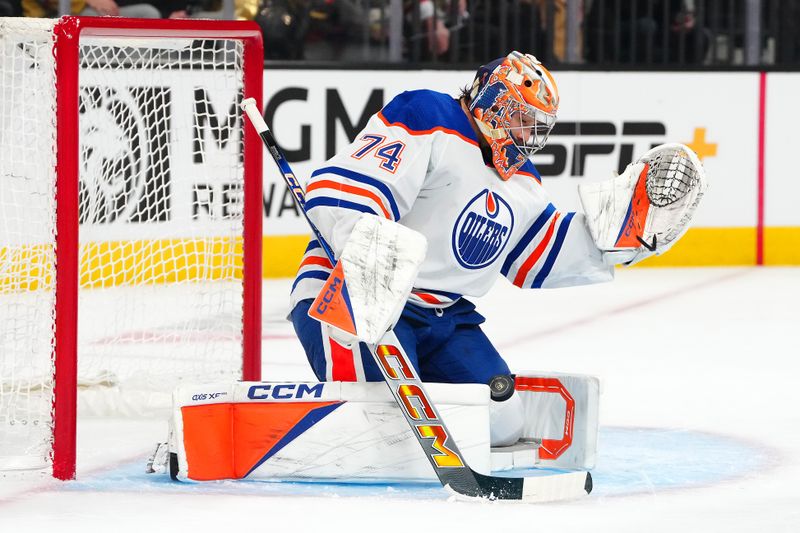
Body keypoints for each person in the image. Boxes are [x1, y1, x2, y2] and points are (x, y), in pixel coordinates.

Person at [289, 51, 617, 447]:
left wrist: (615, 240)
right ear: (494, 101)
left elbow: (539, 255)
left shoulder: (522, 179)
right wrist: (367, 250)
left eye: (534, 126)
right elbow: (344, 192)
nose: (527, 135)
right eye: (521, 118)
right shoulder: (429, 116)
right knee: (379, 422)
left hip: (443, 317)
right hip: (350, 296)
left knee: (501, 422)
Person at [22, 0, 160, 18]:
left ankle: (135, 75)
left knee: (147, 13)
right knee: (95, 20)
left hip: (91, 10)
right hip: (46, 18)